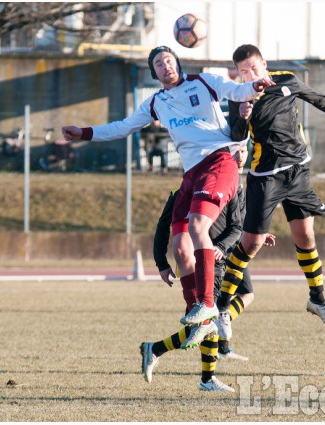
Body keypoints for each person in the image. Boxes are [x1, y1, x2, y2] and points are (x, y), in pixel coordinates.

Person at [62, 46, 274, 391]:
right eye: (159, 63)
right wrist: (84, 133)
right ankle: (197, 313)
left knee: (197, 228)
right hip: (190, 172)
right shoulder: (155, 103)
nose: (166, 65)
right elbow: (122, 127)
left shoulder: (203, 81)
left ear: (179, 63)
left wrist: (255, 86)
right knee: (179, 248)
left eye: (170, 60)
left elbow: (237, 91)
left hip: (219, 160)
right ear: (154, 72)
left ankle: (206, 306)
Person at [214, 44, 325, 337]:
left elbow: (321, 100)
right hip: (265, 176)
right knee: (251, 244)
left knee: (306, 237)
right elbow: (235, 136)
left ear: (264, 64)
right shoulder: (238, 97)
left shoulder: (287, 80)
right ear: (238, 74)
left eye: (254, 68)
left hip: (298, 171)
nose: (250, 74)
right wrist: (244, 116)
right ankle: (222, 308)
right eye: (243, 71)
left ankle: (318, 300)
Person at [141, 147, 266, 392]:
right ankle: (201, 375)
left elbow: (238, 225)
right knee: (205, 322)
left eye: (243, 150)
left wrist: (225, 244)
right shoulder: (182, 192)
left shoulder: (232, 188)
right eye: (235, 150)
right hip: (196, 266)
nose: (240, 155)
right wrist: (162, 263)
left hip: (222, 258)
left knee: (209, 320)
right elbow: (163, 227)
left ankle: (160, 352)